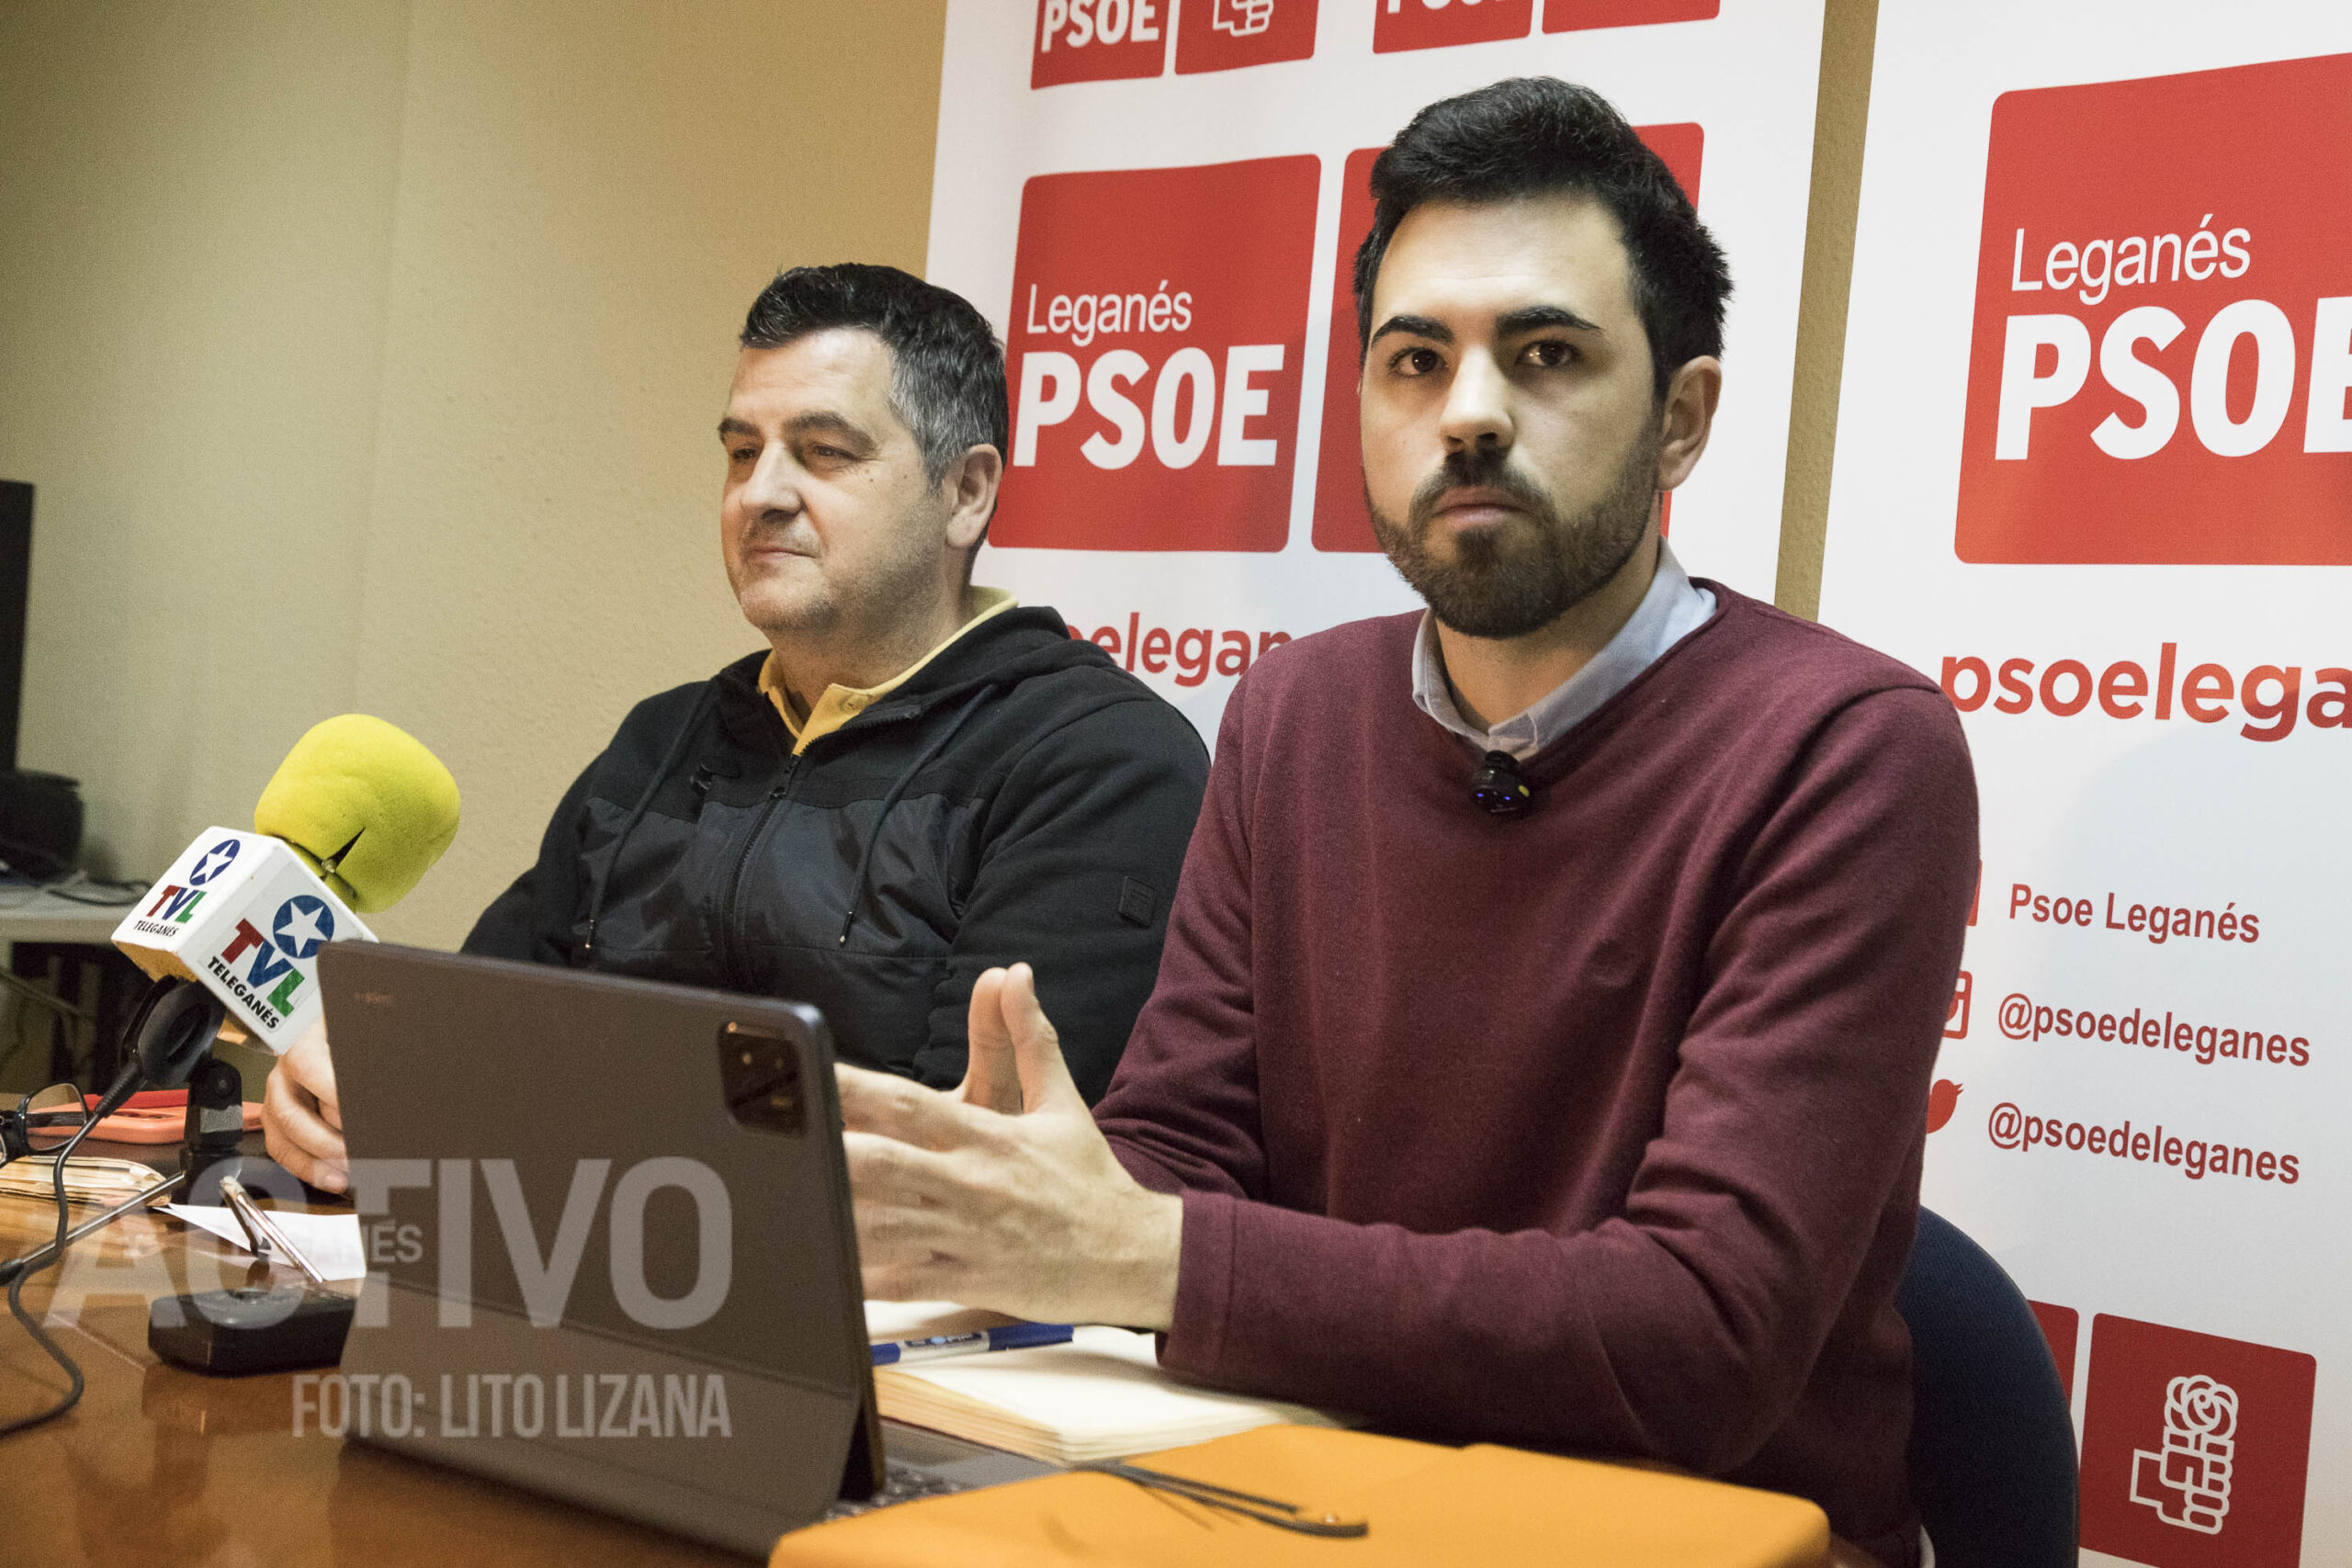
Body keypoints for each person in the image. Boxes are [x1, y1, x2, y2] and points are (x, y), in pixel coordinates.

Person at [834, 81, 1974, 1568]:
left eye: (1547, 354)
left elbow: (1699, 1342)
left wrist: (1146, 1249)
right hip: (1316, 1492)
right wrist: (1053, 1197)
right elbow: (1190, 1142)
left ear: (1682, 418)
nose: (1473, 411)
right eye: (1415, 359)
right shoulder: (1292, 712)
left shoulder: (1845, 750)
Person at [265, 264, 1209, 1192]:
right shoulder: (662, 743)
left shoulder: (1102, 763)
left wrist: (514, 1129)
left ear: (965, 493)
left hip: (889, 1338)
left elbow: (948, 1169)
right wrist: (356, 1097)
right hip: (566, 1280)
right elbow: (476, 1039)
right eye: (740, 450)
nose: (760, 492)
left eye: (825, 451)